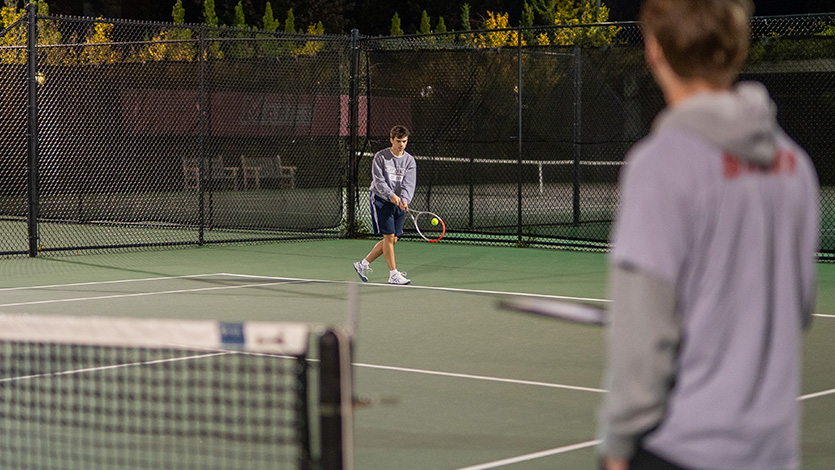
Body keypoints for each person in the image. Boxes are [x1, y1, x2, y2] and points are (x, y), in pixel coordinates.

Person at [597, 1, 819, 469]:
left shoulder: (659, 165)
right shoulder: (795, 165)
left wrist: (617, 448)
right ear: (738, 50)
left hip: (682, 448)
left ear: (655, 49)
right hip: (773, 454)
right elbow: (797, 308)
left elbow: (643, 337)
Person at [353, 125, 416, 285]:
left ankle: (363, 264)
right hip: (380, 199)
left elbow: (409, 183)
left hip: (398, 202)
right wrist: (391, 195)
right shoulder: (381, 157)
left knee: (393, 239)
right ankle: (393, 274)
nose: (402, 144)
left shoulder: (409, 161)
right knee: (388, 237)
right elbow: (379, 181)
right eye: (398, 141)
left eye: (404, 141)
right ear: (391, 140)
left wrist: (405, 199)